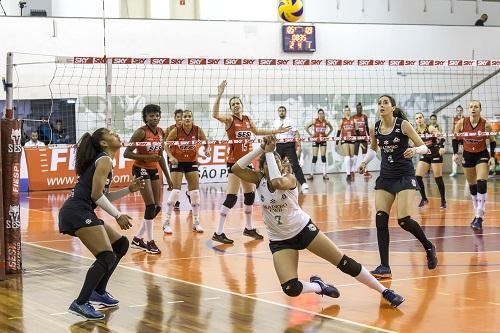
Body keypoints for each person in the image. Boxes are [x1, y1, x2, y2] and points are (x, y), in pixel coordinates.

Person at [231, 135, 404, 308]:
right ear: (262, 169)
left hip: (303, 229)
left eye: (276, 162)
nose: (273, 165)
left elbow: (277, 182)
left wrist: (270, 153)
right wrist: (261, 149)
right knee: (290, 288)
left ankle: (385, 292)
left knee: (343, 262)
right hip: (280, 240)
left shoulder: (289, 178)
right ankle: (318, 286)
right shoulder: (259, 180)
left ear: (281, 165)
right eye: (269, 164)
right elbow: (236, 168)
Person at [58, 128, 145, 320]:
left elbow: (101, 196)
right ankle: (80, 303)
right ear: (104, 143)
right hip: (76, 211)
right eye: (112, 133)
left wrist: (128, 190)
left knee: (120, 245)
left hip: (82, 210)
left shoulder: (106, 160)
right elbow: (95, 196)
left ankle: (98, 292)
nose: (117, 134)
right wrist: (117, 215)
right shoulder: (104, 159)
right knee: (106, 256)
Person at [358, 95, 438, 280]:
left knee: (403, 220)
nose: (381, 105)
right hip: (386, 176)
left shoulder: (402, 125)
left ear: (393, 107)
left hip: (404, 176)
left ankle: (428, 246)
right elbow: (373, 148)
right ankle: (384, 266)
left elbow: (424, 148)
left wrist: (414, 150)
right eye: (379, 102)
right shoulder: (375, 127)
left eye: (385, 102)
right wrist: (364, 162)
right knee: (380, 218)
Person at [211, 80, 289, 244]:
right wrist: (219, 95)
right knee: (231, 198)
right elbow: (215, 114)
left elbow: (258, 131)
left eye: (237, 103)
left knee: (249, 196)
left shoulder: (247, 119)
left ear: (241, 105)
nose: (235, 106)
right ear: (230, 108)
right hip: (234, 164)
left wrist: (277, 130)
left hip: (246, 162)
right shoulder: (229, 120)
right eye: (232, 104)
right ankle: (218, 232)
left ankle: (248, 228)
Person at [124, 104, 173, 255]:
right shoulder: (140, 132)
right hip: (140, 168)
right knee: (150, 205)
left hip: (153, 170)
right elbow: (127, 153)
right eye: (151, 115)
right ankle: (150, 242)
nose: (155, 118)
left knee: (157, 207)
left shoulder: (161, 132)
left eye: (157, 115)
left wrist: (168, 178)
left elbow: (160, 157)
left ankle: (138, 238)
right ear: (145, 118)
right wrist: (146, 157)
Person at [163, 109, 209, 234]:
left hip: (191, 162)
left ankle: (196, 222)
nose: (187, 118)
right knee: (176, 191)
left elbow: (205, 142)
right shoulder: (175, 131)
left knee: (194, 192)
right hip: (178, 162)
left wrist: (206, 149)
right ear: (181, 119)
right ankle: (166, 222)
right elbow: (165, 145)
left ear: (192, 118)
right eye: (185, 117)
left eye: (189, 116)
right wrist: (171, 157)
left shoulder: (197, 130)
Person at [453, 100, 496, 230]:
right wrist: (455, 154)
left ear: (480, 109)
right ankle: (476, 213)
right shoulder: (461, 123)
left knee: (481, 182)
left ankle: (479, 215)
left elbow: (492, 142)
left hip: (481, 154)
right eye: (471, 107)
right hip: (467, 155)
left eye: (476, 107)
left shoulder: (486, 124)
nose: (473, 109)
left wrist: (493, 157)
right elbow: (455, 139)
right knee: (472, 185)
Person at [414, 113, 446, 209]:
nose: (419, 119)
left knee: (438, 177)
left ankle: (443, 200)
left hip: (436, 153)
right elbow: (413, 144)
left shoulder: (430, 128)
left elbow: (442, 137)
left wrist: (441, 147)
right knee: (417, 177)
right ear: (415, 121)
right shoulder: (415, 131)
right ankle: (424, 199)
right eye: (417, 118)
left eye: (420, 117)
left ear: (423, 119)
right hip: (425, 154)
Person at [274, 106, 309, 192]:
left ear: (285, 112)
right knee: (277, 165)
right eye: (280, 111)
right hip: (279, 145)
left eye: (283, 111)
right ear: (278, 112)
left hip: (289, 145)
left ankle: (303, 183)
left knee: (295, 164)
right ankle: (276, 184)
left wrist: (299, 146)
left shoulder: (290, 120)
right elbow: (274, 134)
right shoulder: (275, 122)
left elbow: (296, 133)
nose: (281, 112)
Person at [305, 108, 333, 180]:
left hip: (323, 139)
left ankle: (324, 174)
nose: (321, 115)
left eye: (322, 113)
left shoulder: (326, 121)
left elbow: (331, 128)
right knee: (315, 157)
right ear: (318, 114)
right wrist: (311, 134)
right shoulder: (315, 121)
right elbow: (306, 127)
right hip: (316, 140)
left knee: (323, 156)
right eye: (320, 113)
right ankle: (311, 174)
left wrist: (327, 134)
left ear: (324, 114)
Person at [166, 109, 185, 210]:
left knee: (192, 181)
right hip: (174, 158)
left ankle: (190, 194)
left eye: (182, 116)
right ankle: (176, 201)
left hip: (187, 158)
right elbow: (165, 145)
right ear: (175, 118)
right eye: (178, 117)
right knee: (176, 182)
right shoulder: (170, 129)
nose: (180, 119)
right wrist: (170, 156)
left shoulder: (190, 128)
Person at [337, 105, 356, 182]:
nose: (347, 111)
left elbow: (357, 131)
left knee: (352, 157)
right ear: (344, 112)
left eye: (348, 110)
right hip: (344, 139)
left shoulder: (353, 120)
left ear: (350, 111)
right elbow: (338, 132)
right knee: (347, 156)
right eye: (345, 110)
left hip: (352, 139)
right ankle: (348, 174)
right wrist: (336, 143)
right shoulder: (342, 120)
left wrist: (359, 140)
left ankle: (351, 171)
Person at [353, 102, 371, 177]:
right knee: (355, 156)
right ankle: (352, 172)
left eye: (360, 108)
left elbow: (367, 127)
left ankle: (365, 171)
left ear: (362, 109)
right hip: (356, 138)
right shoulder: (353, 117)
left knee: (365, 156)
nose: (359, 109)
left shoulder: (365, 117)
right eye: (358, 108)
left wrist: (369, 136)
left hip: (363, 137)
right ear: (356, 109)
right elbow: (352, 128)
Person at [450, 105, 464, 177]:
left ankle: (466, 169)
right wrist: (453, 136)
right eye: (458, 110)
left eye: (460, 110)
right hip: (456, 137)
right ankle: (454, 171)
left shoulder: (465, 119)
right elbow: (453, 128)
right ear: (456, 111)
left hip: (463, 137)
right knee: (454, 154)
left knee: (465, 153)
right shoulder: (454, 119)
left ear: (462, 111)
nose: (459, 112)